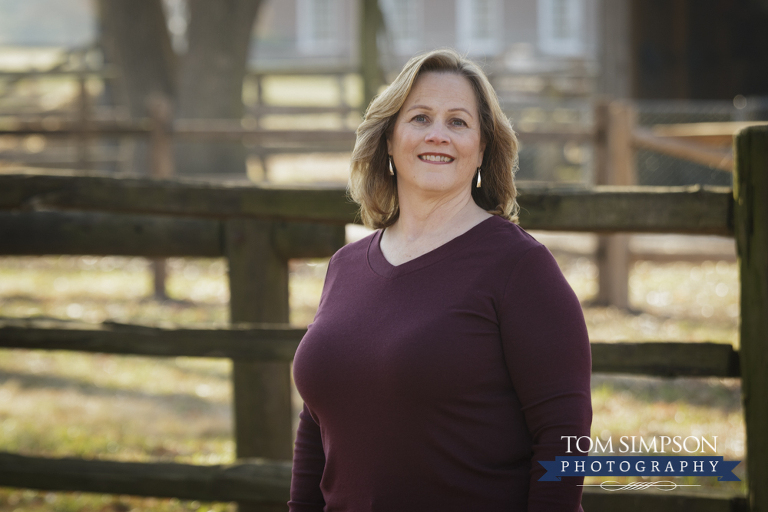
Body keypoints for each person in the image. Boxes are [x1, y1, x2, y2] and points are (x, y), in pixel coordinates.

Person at [289, 48, 592, 512]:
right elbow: (318, 422)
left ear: (483, 148)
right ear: (389, 139)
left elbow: (564, 435)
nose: (438, 135)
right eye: (420, 118)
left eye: (458, 122)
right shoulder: (345, 266)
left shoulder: (520, 268)